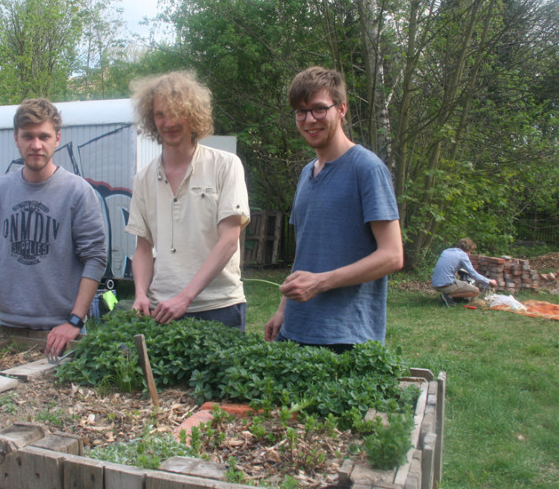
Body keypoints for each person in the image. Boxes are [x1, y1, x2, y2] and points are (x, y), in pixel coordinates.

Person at [264, 66, 403, 353]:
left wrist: (321, 282)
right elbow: (306, 252)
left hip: (345, 337)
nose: (309, 120)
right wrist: (284, 309)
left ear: (341, 109)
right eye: (300, 112)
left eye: (318, 109)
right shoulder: (306, 174)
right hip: (296, 330)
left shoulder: (367, 168)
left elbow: (392, 256)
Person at [0, 98, 107, 358]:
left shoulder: (77, 192)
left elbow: (95, 258)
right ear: (16, 138)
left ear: (57, 139)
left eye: (44, 136)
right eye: (28, 136)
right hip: (7, 326)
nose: (36, 145)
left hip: (60, 332)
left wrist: (74, 321)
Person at [126, 71, 251, 331]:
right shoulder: (143, 178)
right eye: (160, 114)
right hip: (161, 309)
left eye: (176, 112)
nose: (168, 122)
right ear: (151, 119)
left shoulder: (226, 165)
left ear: (193, 114)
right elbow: (142, 247)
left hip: (219, 307)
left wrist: (185, 297)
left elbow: (229, 241)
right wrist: (140, 293)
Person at [431, 238, 496, 306]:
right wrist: (489, 281)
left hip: (435, 282)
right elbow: (474, 274)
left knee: (461, 283)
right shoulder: (462, 255)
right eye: (470, 251)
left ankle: (454, 297)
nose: (470, 254)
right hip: (445, 284)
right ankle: (449, 296)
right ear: (467, 249)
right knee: (475, 291)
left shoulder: (446, 251)